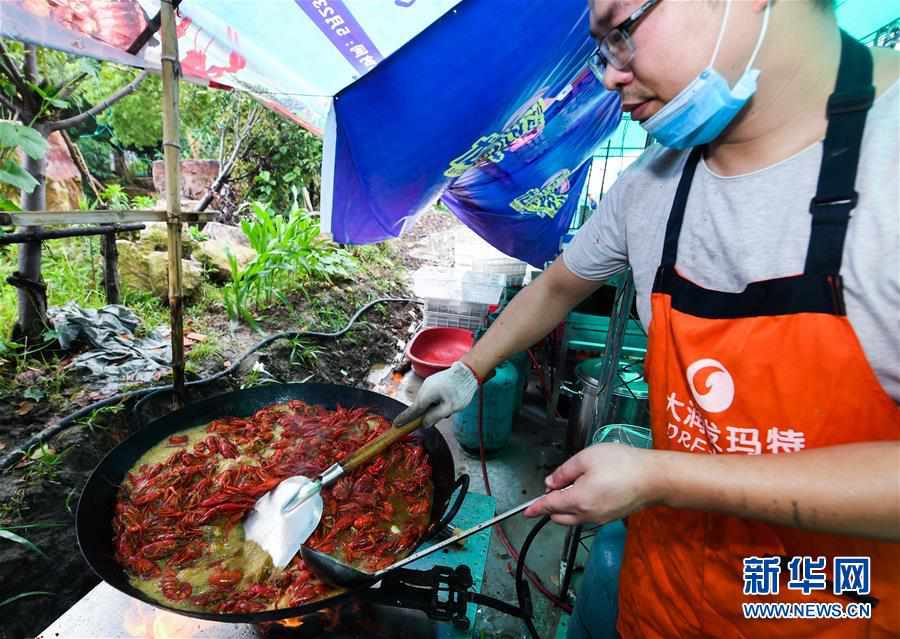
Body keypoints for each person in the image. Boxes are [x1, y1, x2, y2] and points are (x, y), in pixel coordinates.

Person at [395, 0, 900, 636]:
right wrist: (470, 369)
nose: (608, 75)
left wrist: (664, 474)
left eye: (621, 31)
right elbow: (557, 285)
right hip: (664, 591)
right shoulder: (653, 183)